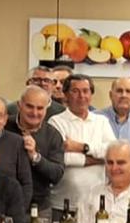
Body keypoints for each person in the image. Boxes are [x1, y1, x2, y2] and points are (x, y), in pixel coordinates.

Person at [48, 74, 115, 210]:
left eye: (86, 91)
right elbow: (61, 159)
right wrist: (98, 159)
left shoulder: (101, 121)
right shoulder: (56, 122)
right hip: (62, 203)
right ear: (65, 94)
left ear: (91, 94)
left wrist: (82, 147)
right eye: (75, 91)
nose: (81, 96)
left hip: (96, 204)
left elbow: (112, 152)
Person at [9, 85, 65, 211]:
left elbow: (57, 174)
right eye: (29, 106)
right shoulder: (4, 126)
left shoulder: (53, 135)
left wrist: (35, 157)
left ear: (46, 109)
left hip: (39, 208)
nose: (34, 113)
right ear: (19, 105)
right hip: (5, 205)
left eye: (40, 108)